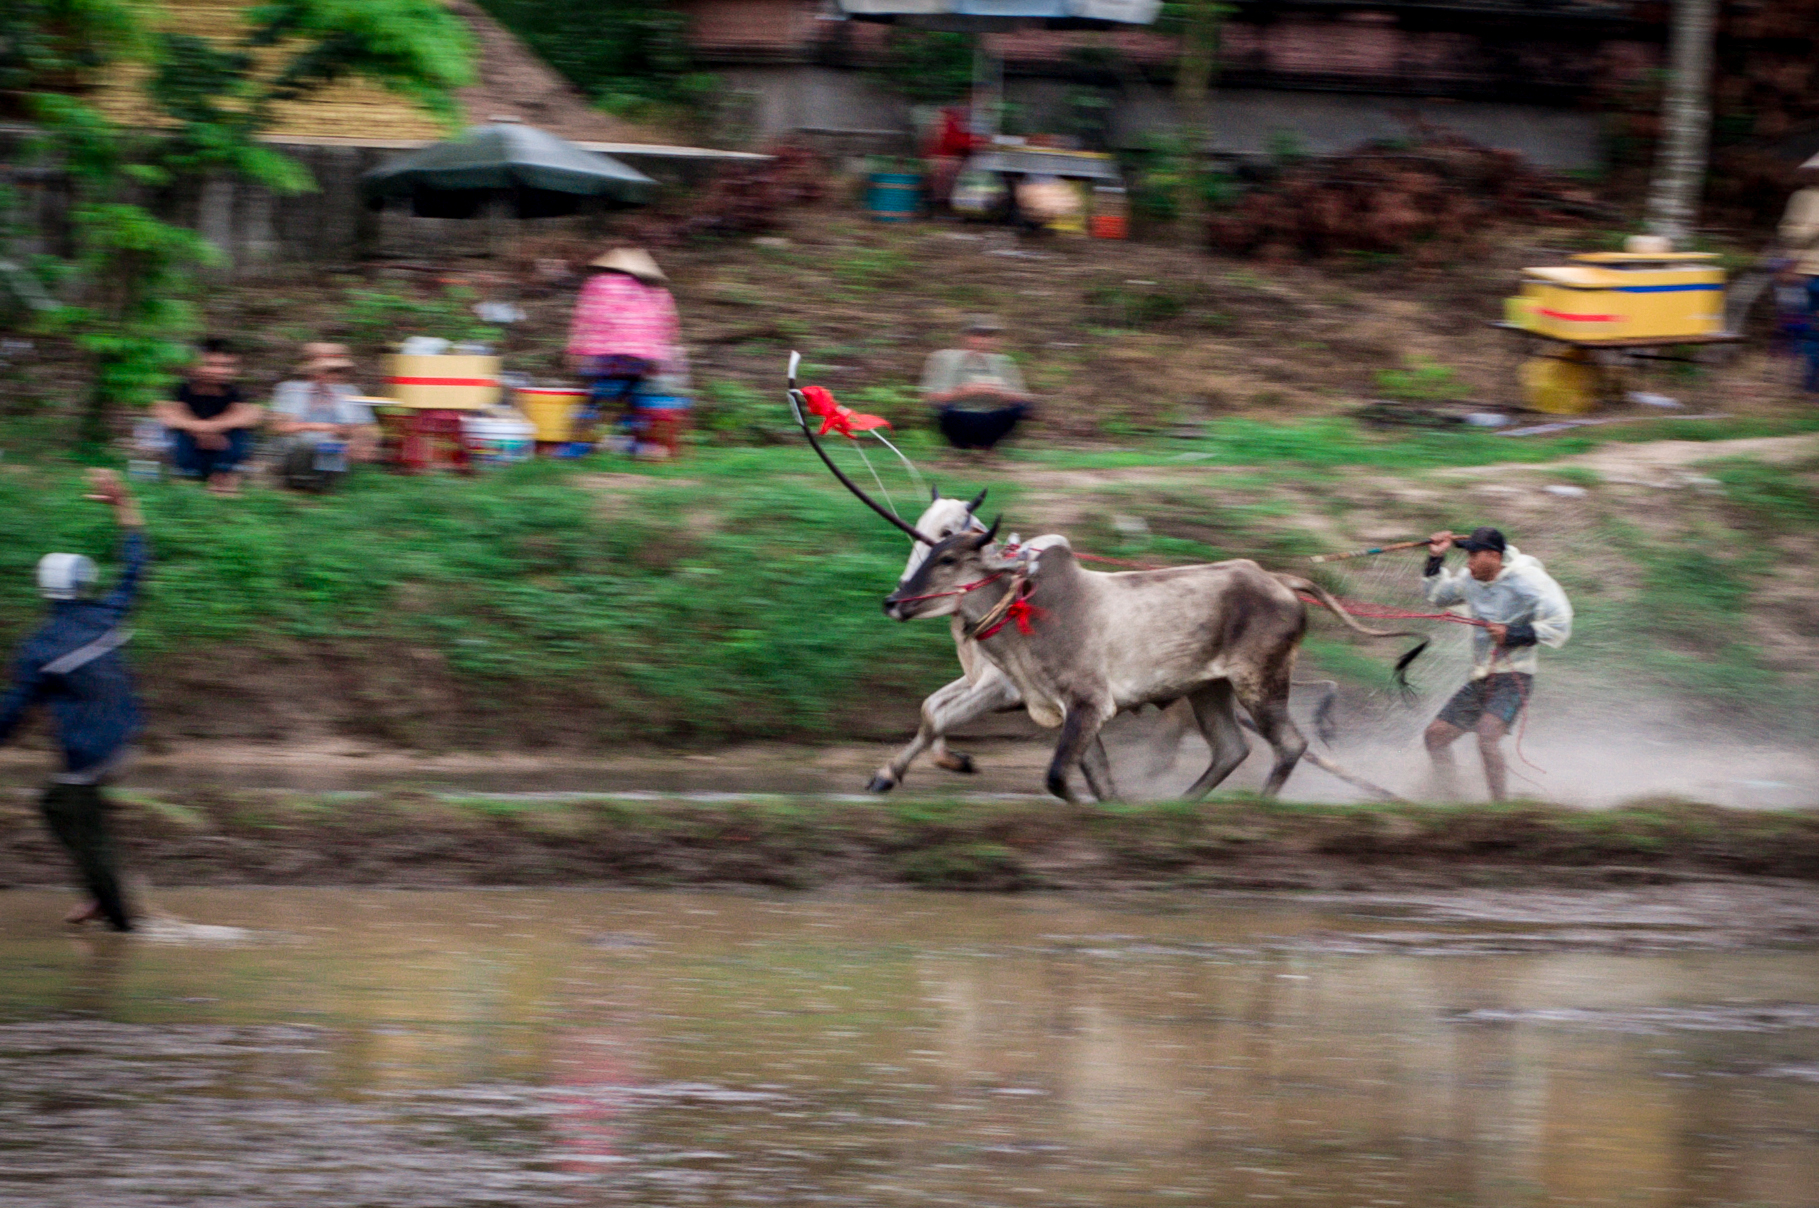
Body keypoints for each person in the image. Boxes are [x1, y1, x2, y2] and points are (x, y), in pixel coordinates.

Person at [0, 470, 149, 931]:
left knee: (73, 815)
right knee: (64, 808)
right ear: (84, 584)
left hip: (89, 752)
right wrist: (124, 505)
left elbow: (12, 713)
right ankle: (99, 895)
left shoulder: (39, 648)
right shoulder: (106, 612)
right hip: (127, 735)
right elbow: (136, 567)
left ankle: (121, 920)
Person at [1419, 526, 1573, 802]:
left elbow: (1561, 622)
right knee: (1434, 737)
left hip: (1515, 678)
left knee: (1486, 738)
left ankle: (1499, 811)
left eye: (1473, 556)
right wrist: (1435, 558)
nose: (1468, 562)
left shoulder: (1528, 580)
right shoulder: (1470, 579)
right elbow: (1438, 596)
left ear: (1493, 555)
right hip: (1482, 677)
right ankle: (1450, 800)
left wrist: (1513, 634)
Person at [566, 248, 683, 446]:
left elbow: (584, 318)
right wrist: (664, 356)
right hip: (644, 358)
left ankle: (578, 446)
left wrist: (574, 350)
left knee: (595, 400)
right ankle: (635, 444)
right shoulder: (660, 293)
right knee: (633, 400)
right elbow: (670, 326)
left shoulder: (598, 284)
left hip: (608, 355)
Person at [269, 343, 379, 491]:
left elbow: (367, 426)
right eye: (331, 371)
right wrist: (324, 427)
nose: (337, 376)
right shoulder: (290, 389)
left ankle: (325, 487)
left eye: (340, 371)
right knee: (307, 446)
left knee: (333, 447)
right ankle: (304, 486)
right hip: (297, 447)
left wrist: (363, 441)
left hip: (338, 448)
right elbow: (277, 427)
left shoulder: (350, 391)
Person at [920, 316, 1036, 452]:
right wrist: (962, 393)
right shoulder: (945, 358)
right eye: (978, 335)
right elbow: (928, 398)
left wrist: (1001, 394)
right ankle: (958, 446)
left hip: (991, 415)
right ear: (964, 337)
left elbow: (1025, 398)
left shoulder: (1004, 361)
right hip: (957, 415)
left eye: (989, 336)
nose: (984, 340)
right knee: (939, 408)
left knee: (1023, 406)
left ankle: (987, 446)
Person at [1776, 168, 1819, 392]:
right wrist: (1811, 231)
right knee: (1813, 331)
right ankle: (1811, 387)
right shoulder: (1803, 198)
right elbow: (1787, 234)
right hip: (1809, 273)